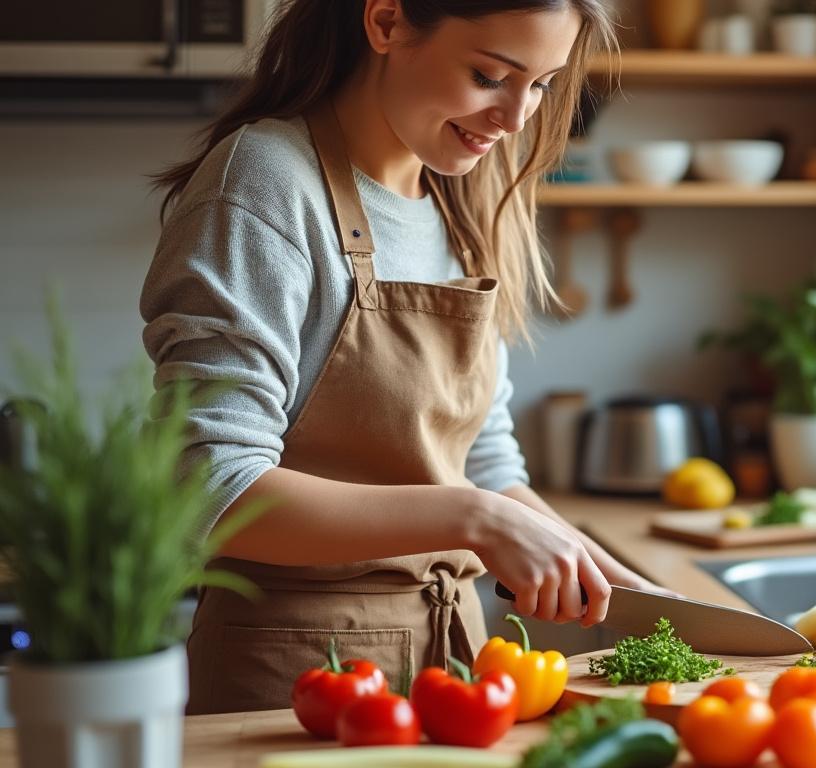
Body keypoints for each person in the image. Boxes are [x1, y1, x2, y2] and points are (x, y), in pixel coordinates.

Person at [141, 0, 659, 714]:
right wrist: (475, 521)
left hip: (459, 672)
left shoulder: (464, 197)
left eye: (539, 84)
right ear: (385, 23)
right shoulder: (265, 184)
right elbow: (210, 484)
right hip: (296, 688)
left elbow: (483, 463)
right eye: (489, 75)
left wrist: (631, 592)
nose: (515, 118)